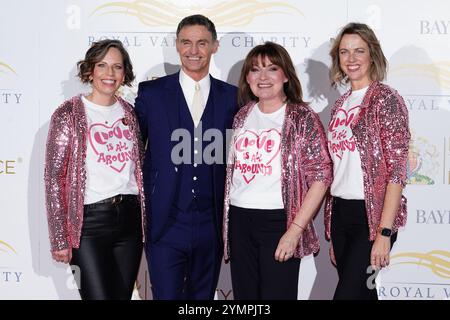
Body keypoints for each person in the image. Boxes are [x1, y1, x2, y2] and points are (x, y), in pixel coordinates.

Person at [134, 14, 238, 300]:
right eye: (186, 43)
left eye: (202, 43)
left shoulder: (233, 97)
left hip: (211, 222)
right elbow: (131, 150)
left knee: (201, 300)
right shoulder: (151, 93)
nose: (194, 50)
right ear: (176, 45)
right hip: (165, 221)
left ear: (214, 46)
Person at [222, 42, 332, 300]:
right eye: (255, 70)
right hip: (239, 220)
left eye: (272, 69)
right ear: (247, 78)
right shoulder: (241, 116)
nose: (263, 77)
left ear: (285, 76)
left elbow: (321, 177)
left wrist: (294, 231)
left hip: (279, 222)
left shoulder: (302, 117)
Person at [44, 39, 145, 300]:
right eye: (102, 66)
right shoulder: (69, 113)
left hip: (130, 220)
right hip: (89, 224)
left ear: (125, 74)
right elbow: (55, 177)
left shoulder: (129, 114)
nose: (109, 74)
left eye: (117, 67)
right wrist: (59, 237)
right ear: (90, 71)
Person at [324, 22, 410, 300]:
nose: (351, 59)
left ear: (372, 54)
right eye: (344, 52)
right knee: (363, 295)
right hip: (340, 213)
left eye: (359, 51)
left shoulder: (387, 100)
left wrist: (384, 232)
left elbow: (397, 171)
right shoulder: (339, 106)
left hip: (371, 217)